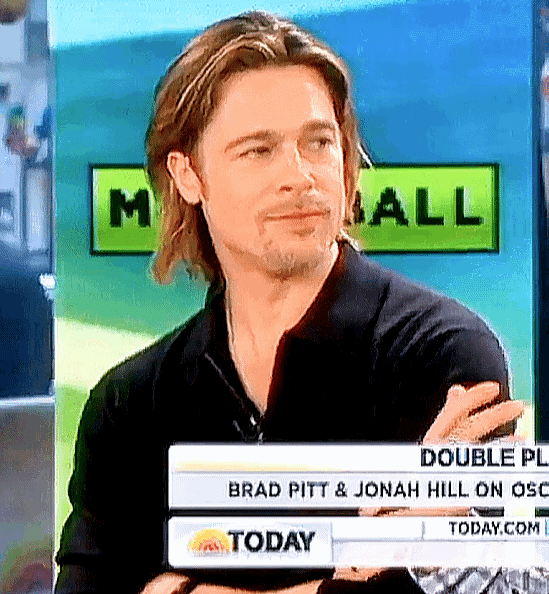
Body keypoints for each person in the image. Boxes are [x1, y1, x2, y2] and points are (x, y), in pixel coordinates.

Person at [55, 11, 524, 594]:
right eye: (259, 150)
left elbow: (446, 587)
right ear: (188, 175)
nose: (299, 176)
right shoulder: (130, 403)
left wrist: (182, 589)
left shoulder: (443, 356)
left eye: (319, 143)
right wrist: (339, 584)